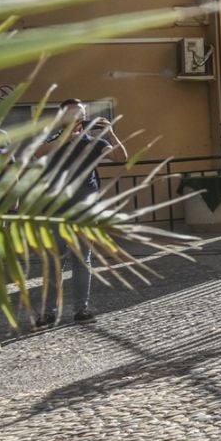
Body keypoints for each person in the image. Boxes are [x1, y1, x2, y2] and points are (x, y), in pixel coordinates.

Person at [35, 99, 127, 326]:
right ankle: (48, 312)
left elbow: (121, 158)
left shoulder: (94, 141)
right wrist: (68, 137)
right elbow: (38, 153)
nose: (79, 119)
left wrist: (111, 133)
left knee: (82, 261)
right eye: (73, 114)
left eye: (82, 114)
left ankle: (81, 310)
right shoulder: (53, 138)